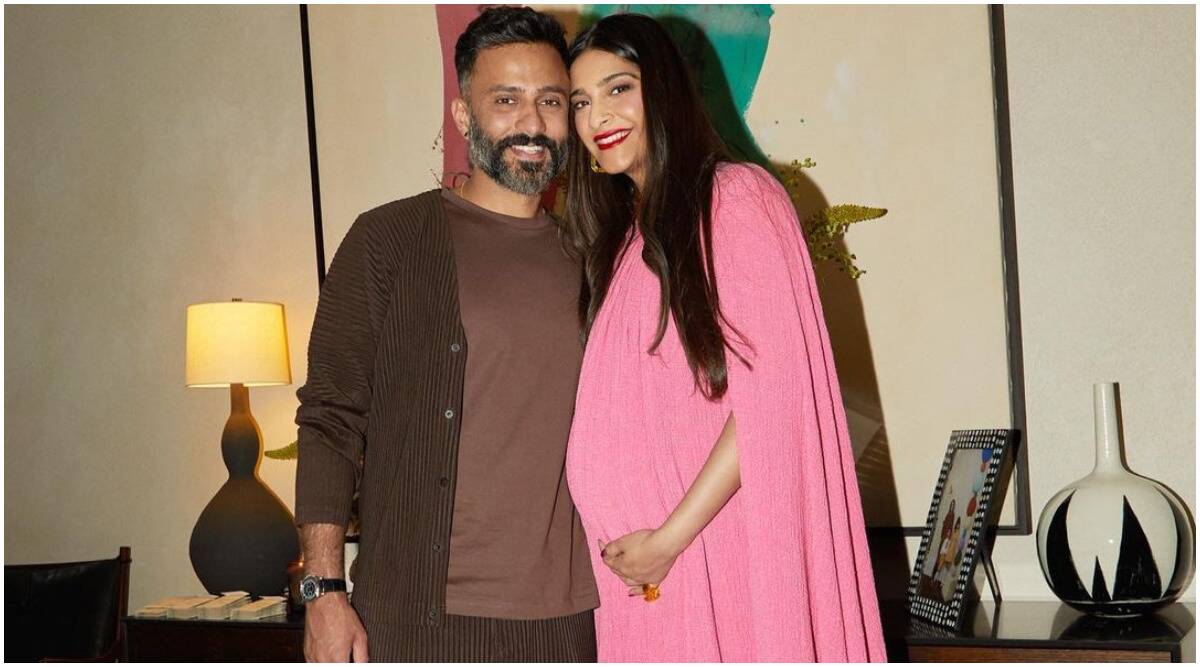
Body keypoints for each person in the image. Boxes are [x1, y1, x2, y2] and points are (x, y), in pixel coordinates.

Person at [561, 13, 886, 661]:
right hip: (642, 581)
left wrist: (668, 540)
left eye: (618, 88)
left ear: (664, 90)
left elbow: (770, 398)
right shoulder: (619, 241)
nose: (598, 115)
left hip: (709, 553)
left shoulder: (736, 197)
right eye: (580, 102)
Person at [293, 7, 598, 662]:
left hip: (569, 621)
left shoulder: (597, 257)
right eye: (506, 100)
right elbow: (329, 419)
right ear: (463, 116)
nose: (532, 123)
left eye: (550, 101)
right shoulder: (389, 240)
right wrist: (323, 590)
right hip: (414, 620)